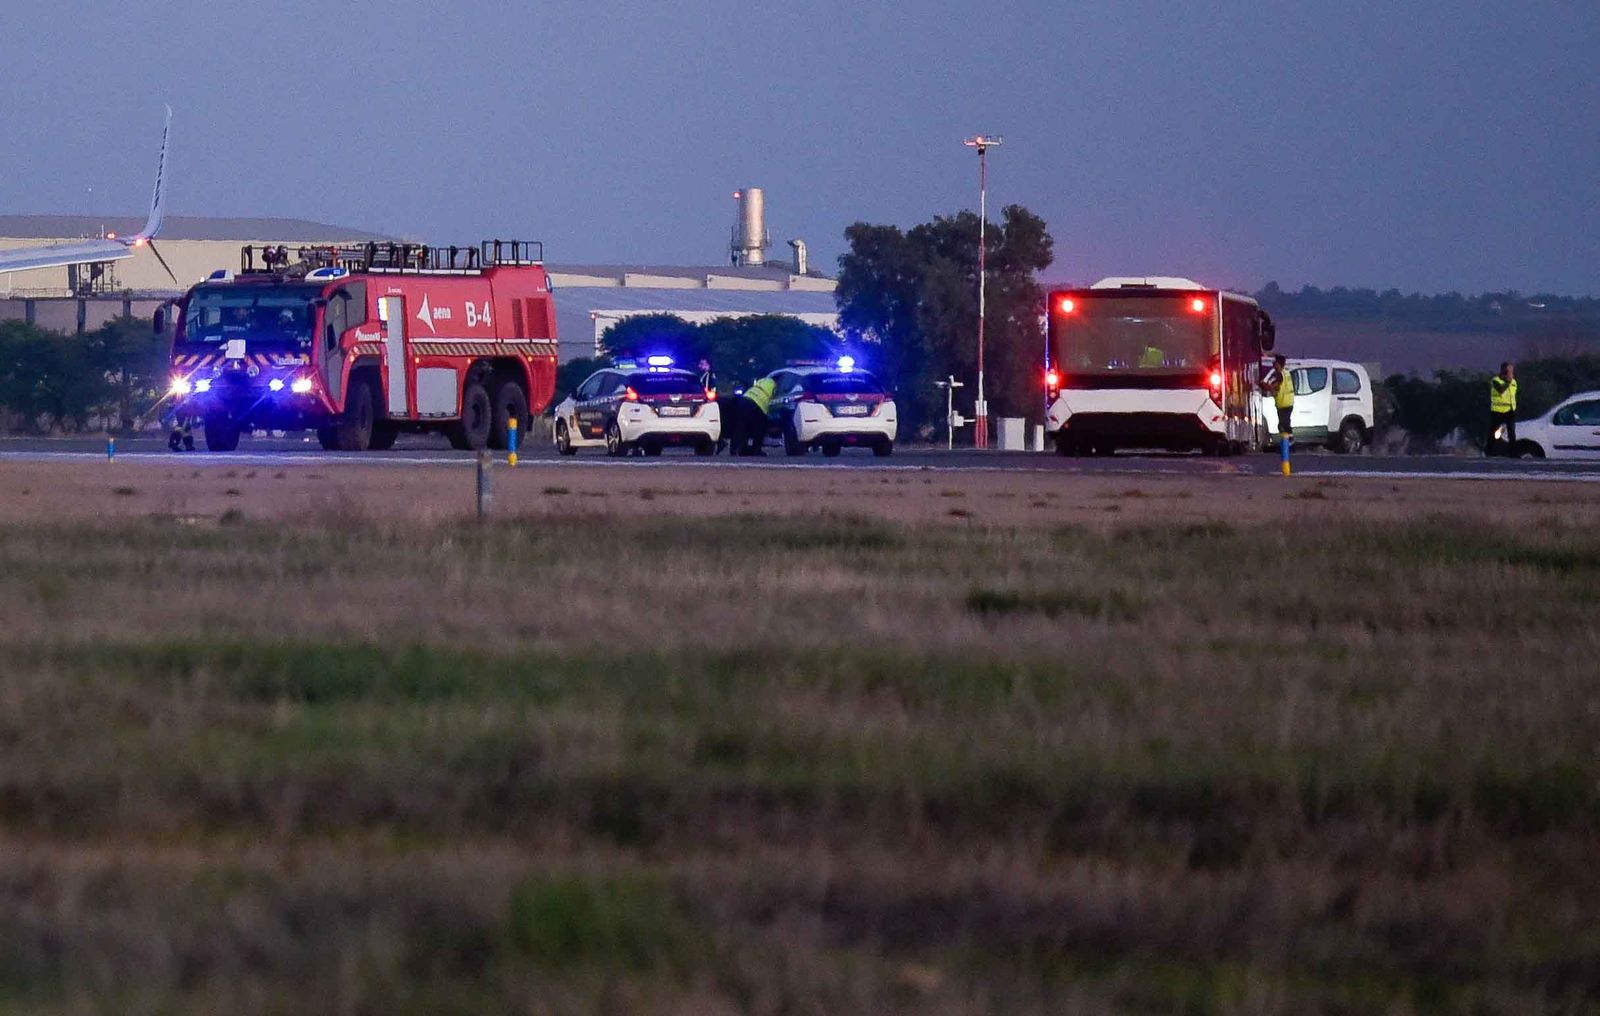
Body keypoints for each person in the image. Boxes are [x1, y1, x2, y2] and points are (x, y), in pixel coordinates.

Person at [737, 376, 777, 456]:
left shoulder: (762, 380)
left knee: (743, 427)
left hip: (745, 399)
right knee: (759, 429)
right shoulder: (775, 385)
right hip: (758, 405)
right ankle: (756, 450)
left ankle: (741, 449)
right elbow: (775, 399)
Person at [1260, 354, 1294, 444]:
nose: (1273, 364)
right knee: (1285, 424)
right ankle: (1288, 443)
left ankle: (1288, 443)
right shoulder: (1286, 373)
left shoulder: (1279, 375)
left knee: (1283, 425)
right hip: (1288, 403)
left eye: (1275, 362)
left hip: (1283, 404)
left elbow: (1274, 388)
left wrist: (1264, 385)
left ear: (1278, 364)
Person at [1488, 361, 1518, 456]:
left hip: (1510, 410)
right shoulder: (1496, 380)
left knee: (1511, 433)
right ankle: (1489, 452)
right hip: (1497, 410)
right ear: (1504, 371)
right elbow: (1501, 390)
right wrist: (1508, 381)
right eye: (1510, 371)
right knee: (1493, 432)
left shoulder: (1514, 382)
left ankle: (1513, 453)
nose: (1512, 373)